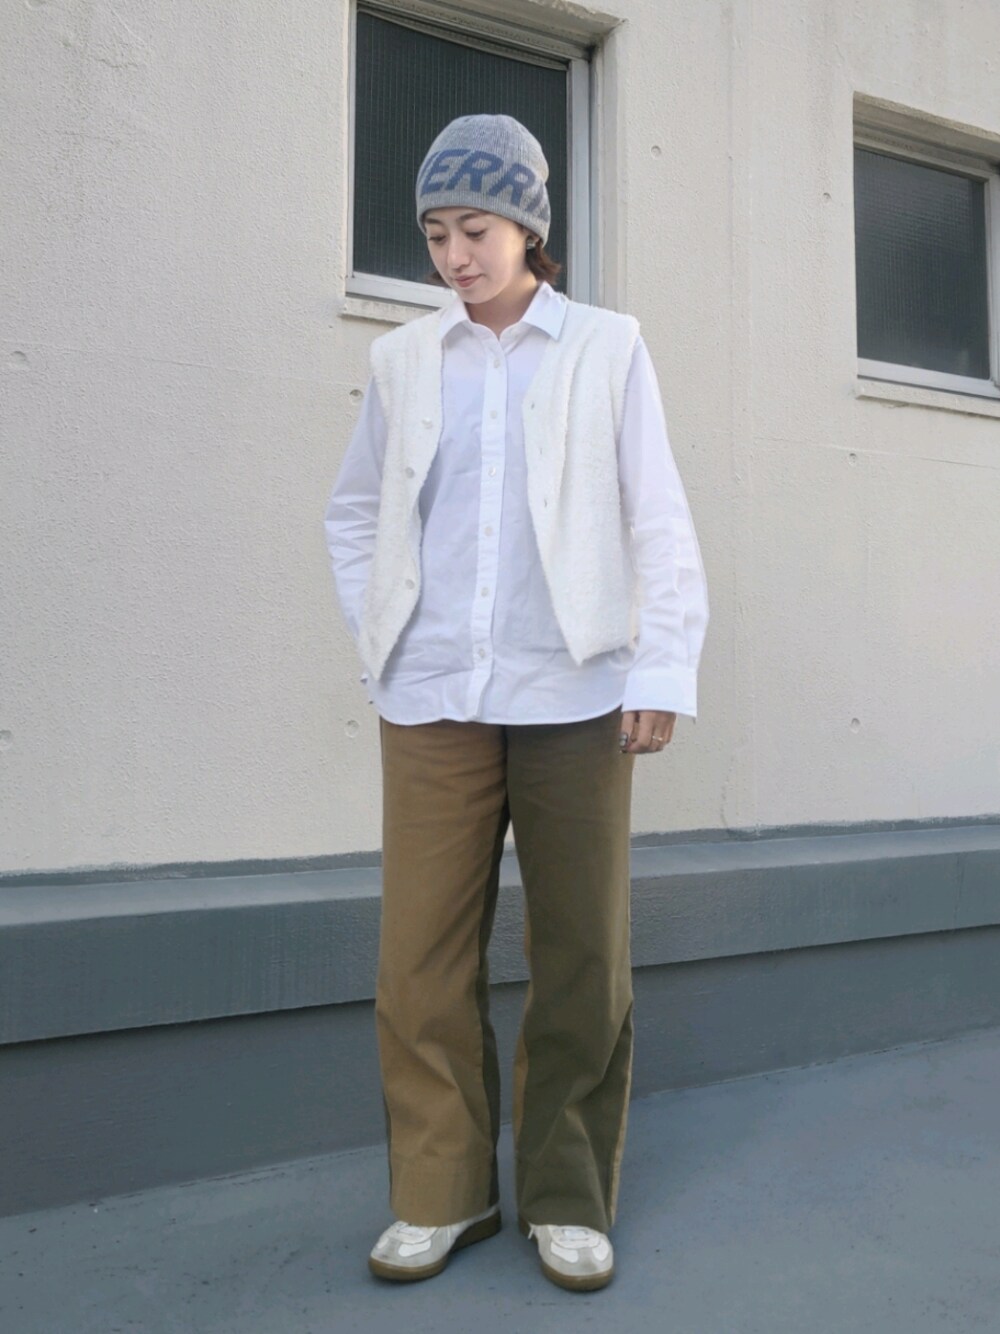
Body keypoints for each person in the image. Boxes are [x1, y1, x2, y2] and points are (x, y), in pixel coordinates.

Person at [324, 113, 708, 1293]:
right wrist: (380, 634)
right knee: (419, 957)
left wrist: (661, 664)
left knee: (582, 948)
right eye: (436, 233)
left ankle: (565, 1193)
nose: (455, 255)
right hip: (433, 692)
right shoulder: (404, 358)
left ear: (528, 228)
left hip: (577, 688)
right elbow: (355, 510)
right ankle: (440, 1191)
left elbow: (655, 511)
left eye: (476, 229)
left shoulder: (605, 346)